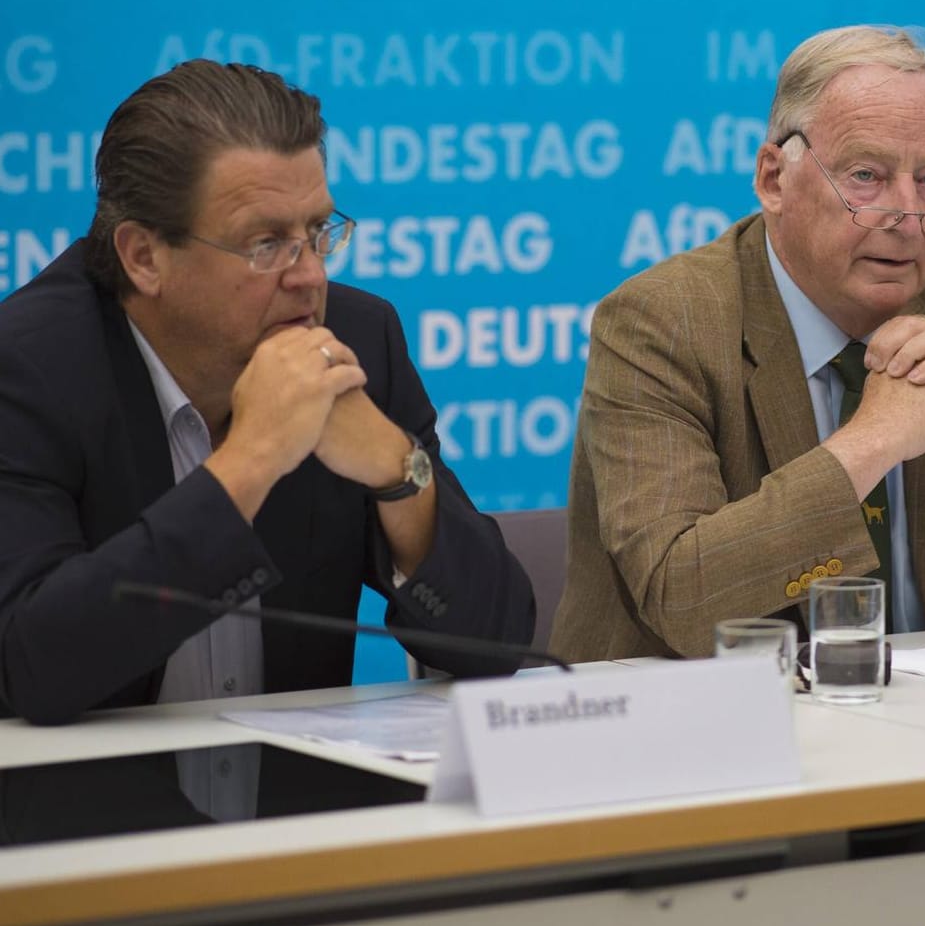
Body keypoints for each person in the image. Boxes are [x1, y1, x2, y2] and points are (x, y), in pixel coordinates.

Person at [551, 25, 925, 662]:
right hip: (705, 732)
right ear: (774, 179)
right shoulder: (662, 323)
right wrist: (874, 441)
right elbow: (682, 599)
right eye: (866, 175)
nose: (907, 214)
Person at [0, 61, 536, 724]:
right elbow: (31, 666)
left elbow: (499, 641)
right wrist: (250, 462)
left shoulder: (356, 341)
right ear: (143, 257)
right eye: (266, 245)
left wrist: (400, 473)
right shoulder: (27, 369)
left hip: (296, 812)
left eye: (316, 233)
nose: (309, 276)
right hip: (92, 816)